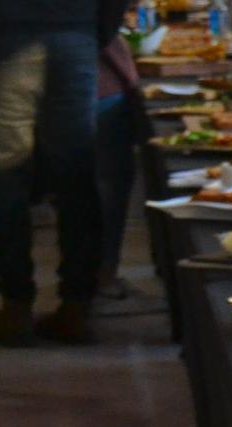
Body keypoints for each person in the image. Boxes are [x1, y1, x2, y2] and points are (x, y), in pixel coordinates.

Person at [0, 0, 125, 346]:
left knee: (4, 176)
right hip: (74, 31)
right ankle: (77, 306)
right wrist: (94, 30)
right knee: (76, 173)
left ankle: (15, 306)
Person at [94, 30, 144, 301]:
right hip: (98, 83)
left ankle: (15, 300)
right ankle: (103, 275)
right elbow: (107, 23)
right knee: (109, 184)